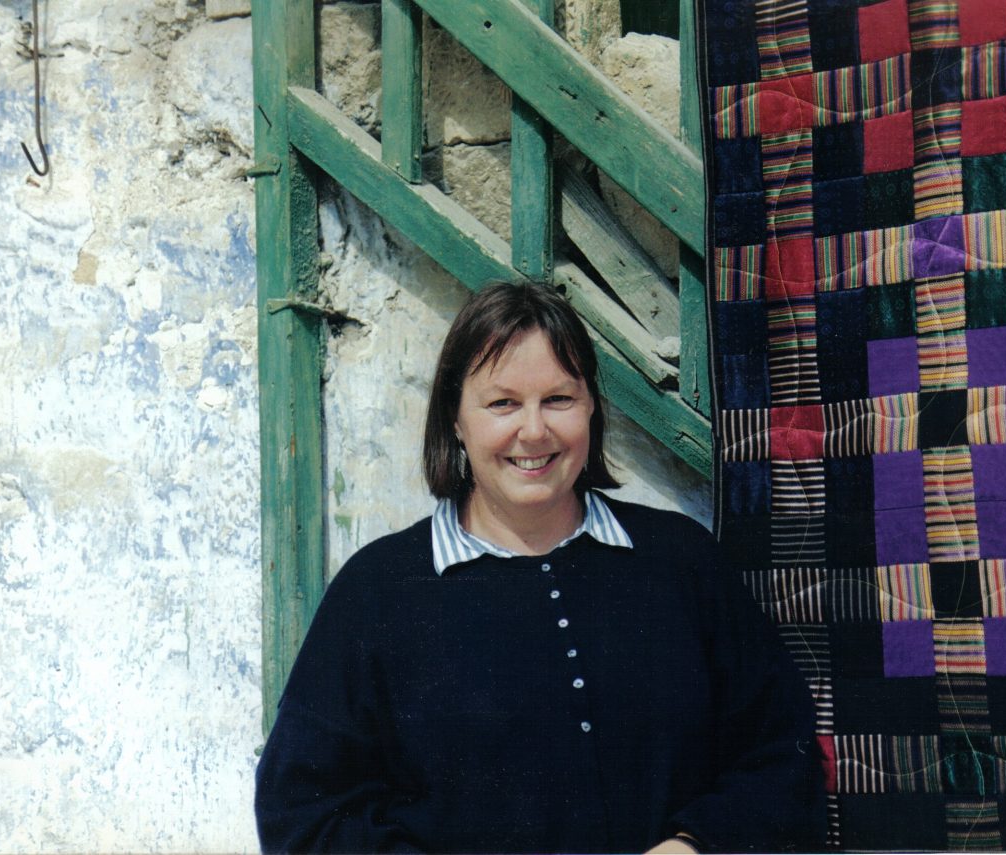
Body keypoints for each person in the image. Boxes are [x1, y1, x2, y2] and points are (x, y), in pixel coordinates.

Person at [254, 282, 826, 854]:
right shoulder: (378, 590)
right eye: (502, 403)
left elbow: (780, 755)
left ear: (592, 408)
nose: (533, 431)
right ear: (455, 418)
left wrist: (693, 846)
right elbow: (304, 812)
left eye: (558, 399)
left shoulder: (681, 562)